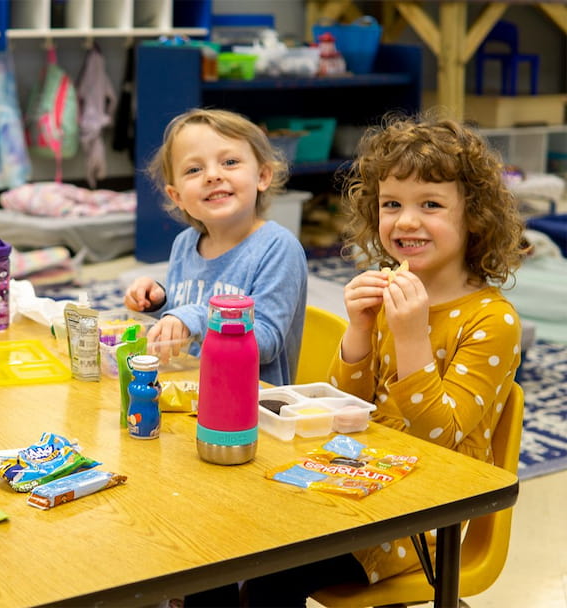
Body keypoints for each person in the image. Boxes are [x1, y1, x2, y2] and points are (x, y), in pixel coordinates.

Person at [197, 115, 530, 608]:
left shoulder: (492, 320)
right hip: (352, 481)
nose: (406, 221)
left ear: (475, 216)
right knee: (219, 542)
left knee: (268, 577)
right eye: (391, 204)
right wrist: (359, 329)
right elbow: (346, 411)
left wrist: (411, 336)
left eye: (431, 205)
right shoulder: (387, 293)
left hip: (420, 518)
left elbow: (441, 437)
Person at [123, 108, 306, 386]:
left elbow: (266, 342)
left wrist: (194, 317)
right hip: (189, 393)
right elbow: (186, 326)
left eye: (230, 162)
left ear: (262, 176)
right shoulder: (184, 244)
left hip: (251, 411)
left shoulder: (278, 248)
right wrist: (160, 305)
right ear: (177, 196)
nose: (212, 175)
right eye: (194, 169)